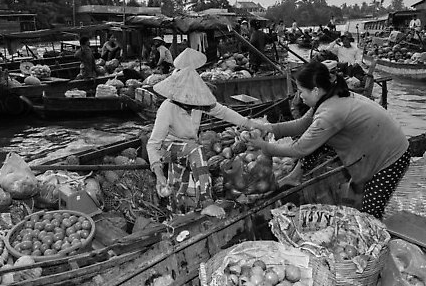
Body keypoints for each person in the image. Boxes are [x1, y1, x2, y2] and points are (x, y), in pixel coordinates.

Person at [245, 61, 410, 219]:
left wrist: (265, 147)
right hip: (376, 142)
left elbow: (299, 149)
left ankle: (374, 238)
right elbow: (301, 125)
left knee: (370, 213)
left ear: (316, 90)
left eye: (301, 91)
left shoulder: (330, 113)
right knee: (317, 141)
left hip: (392, 156)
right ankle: (295, 176)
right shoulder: (328, 98)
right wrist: (268, 128)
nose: (299, 96)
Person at [147, 48, 265, 214]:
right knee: (195, 150)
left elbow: (222, 111)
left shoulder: (198, 101)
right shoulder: (167, 108)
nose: (193, 106)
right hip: (166, 148)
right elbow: (153, 145)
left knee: (181, 183)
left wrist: (248, 123)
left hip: (188, 147)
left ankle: (178, 212)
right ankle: (207, 202)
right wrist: (159, 174)